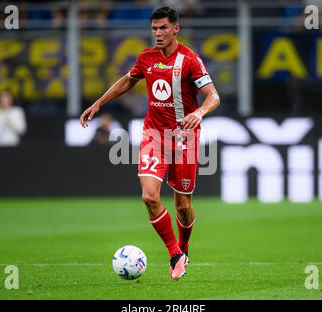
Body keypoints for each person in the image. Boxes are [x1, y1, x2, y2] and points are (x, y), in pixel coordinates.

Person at [79, 7, 220, 281]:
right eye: (154, 28)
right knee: (149, 196)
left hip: (184, 138)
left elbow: (213, 96)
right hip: (154, 135)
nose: (158, 33)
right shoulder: (146, 58)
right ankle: (175, 254)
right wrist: (98, 103)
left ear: (176, 29)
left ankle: (185, 247)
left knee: (182, 206)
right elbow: (127, 81)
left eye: (163, 28)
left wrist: (199, 112)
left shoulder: (190, 60)